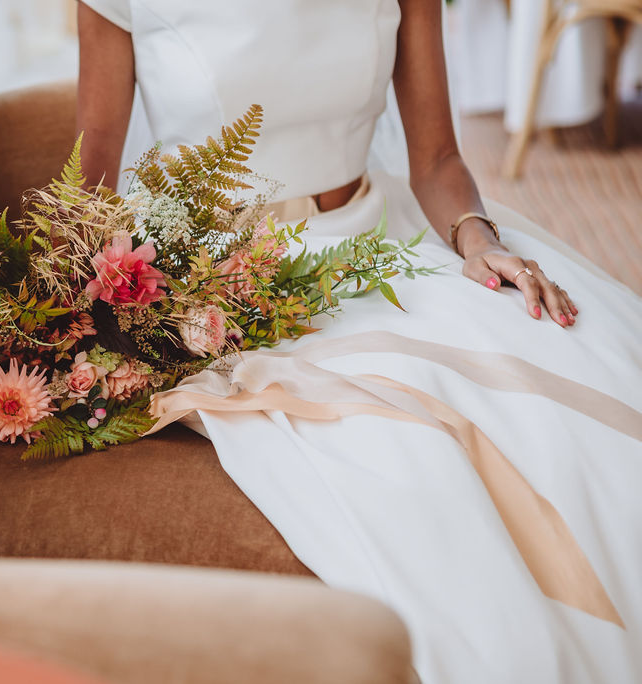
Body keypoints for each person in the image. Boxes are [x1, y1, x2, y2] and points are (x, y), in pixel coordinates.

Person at [76, 1, 642, 683]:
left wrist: (478, 238)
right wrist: (71, 309)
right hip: (225, 274)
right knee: (409, 457)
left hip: (382, 235)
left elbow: (436, 159)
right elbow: (92, 174)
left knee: (588, 368)